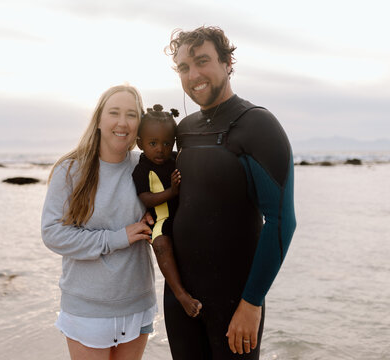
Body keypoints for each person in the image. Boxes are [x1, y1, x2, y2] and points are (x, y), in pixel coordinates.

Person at [163, 26, 297, 359]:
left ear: (227, 63)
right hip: (181, 300)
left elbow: (281, 221)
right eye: (184, 67)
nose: (193, 74)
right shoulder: (184, 130)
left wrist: (251, 304)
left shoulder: (258, 125)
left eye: (202, 61)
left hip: (236, 300)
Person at [41, 85, 157, 360]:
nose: (122, 122)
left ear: (139, 124)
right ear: (99, 119)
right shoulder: (70, 169)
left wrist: (157, 220)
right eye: (114, 113)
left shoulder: (146, 167)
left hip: (138, 302)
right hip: (87, 308)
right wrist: (118, 237)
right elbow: (53, 234)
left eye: (131, 115)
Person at [132, 104, 202, 318]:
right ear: (140, 143)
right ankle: (180, 294)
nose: (160, 149)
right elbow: (146, 198)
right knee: (161, 244)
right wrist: (172, 191)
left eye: (166, 143)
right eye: (153, 143)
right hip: (162, 219)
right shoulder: (142, 168)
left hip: (183, 217)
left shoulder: (176, 160)